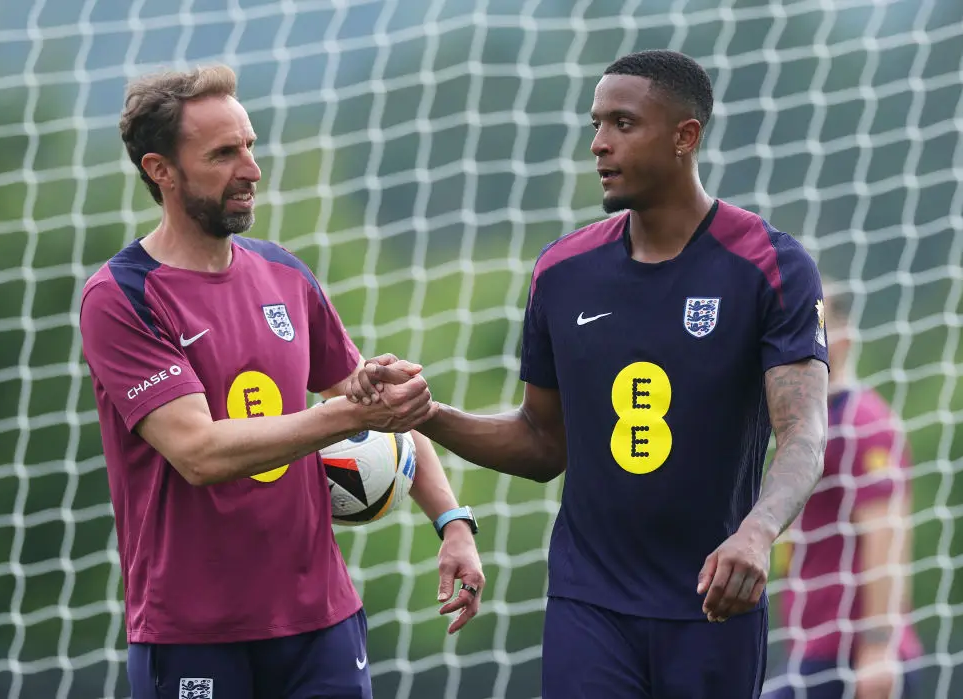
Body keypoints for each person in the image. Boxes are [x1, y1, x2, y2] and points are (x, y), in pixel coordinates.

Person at [348, 49, 830, 699]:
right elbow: (544, 443)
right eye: (596, 123)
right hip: (589, 601)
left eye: (623, 124)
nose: (599, 144)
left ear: (685, 136)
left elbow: (802, 434)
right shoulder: (562, 271)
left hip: (714, 601)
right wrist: (426, 413)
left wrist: (756, 532)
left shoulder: (770, 265)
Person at [78, 64, 485, 699]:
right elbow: (199, 453)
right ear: (161, 171)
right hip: (193, 630)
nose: (251, 169)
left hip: (321, 621)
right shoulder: (122, 297)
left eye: (250, 146)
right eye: (223, 153)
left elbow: (372, 400)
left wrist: (452, 522)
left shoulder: (283, 273)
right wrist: (349, 416)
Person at [764, 285, 923, 699]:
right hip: (816, 646)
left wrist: (876, 647)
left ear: (845, 337)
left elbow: (887, 530)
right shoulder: (809, 425)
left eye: (815, 324)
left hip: (852, 655)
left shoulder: (862, 421)